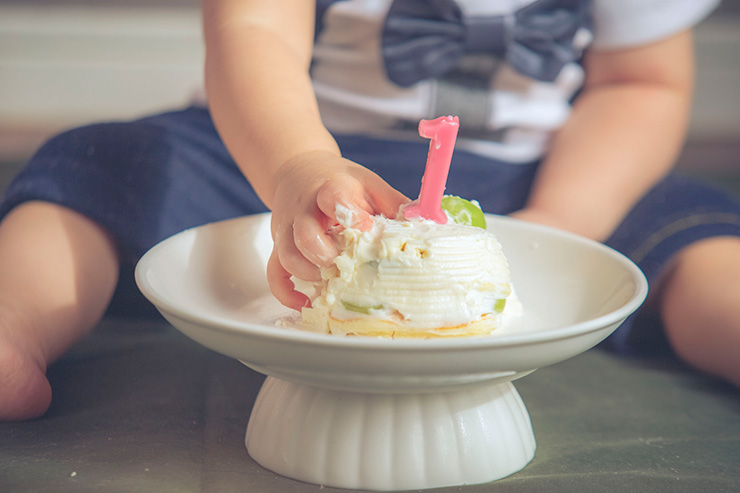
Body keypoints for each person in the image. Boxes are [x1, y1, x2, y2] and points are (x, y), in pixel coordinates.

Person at [1, 0, 738, 421]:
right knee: (109, 166)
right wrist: (296, 166)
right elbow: (251, 31)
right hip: (284, 150)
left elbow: (639, 85)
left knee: (694, 234)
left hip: (542, 174)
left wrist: (563, 217)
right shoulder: (288, 157)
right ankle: (16, 320)